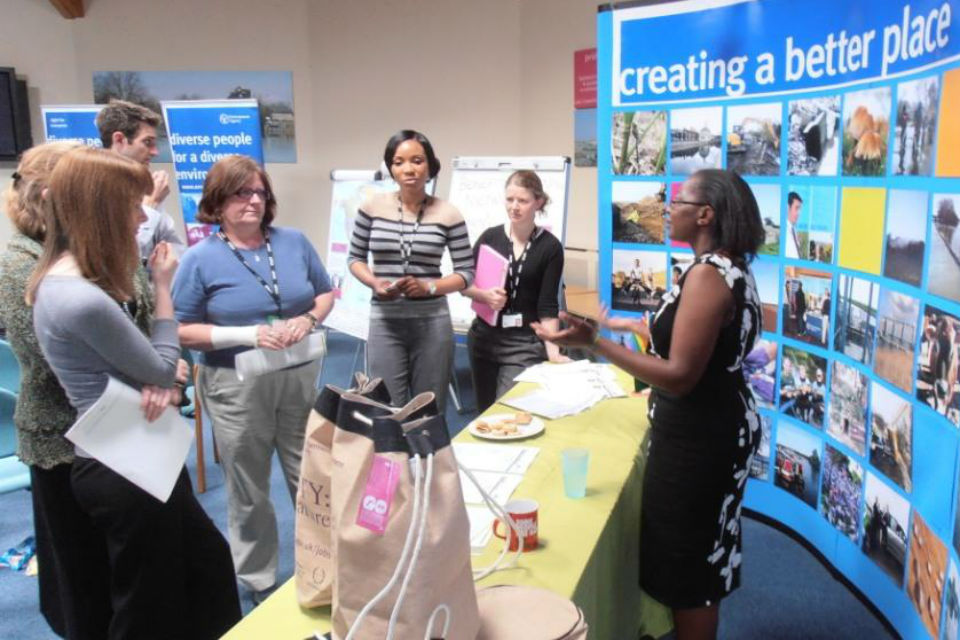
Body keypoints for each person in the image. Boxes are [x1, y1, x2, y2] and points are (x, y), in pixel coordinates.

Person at [533, 169, 764, 640]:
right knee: (696, 554)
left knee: (690, 568)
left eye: (676, 202)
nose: (666, 210)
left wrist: (595, 341)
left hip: (700, 439)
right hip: (713, 426)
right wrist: (617, 328)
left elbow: (679, 375)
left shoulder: (707, 276)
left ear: (705, 214)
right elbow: (683, 337)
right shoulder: (728, 266)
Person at [28, 146, 240, 639]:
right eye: (131, 204)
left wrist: (160, 376)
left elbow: (157, 370)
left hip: (137, 452)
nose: (140, 216)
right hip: (122, 465)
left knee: (202, 570)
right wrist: (163, 287)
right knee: (149, 603)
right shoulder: (78, 296)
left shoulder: (78, 280)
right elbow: (163, 368)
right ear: (100, 208)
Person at [0, 141, 178, 639]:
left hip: (129, 429)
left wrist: (158, 373)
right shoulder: (28, 267)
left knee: (144, 577)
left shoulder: (95, 254)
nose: (140, 217)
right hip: (71, 437)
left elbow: (138, 322)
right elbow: (53, 363)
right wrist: (155, 373)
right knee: (87, 582)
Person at [172, 154, 334, 602]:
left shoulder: (293, 241)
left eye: (260, 192)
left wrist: (309, 320)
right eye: (242, 192)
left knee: (312, 476)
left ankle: (324, 566)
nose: (254, 201)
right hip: (236, 384)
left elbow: (324, 293)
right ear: (218, 201)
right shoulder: (199, 259)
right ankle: (259, 580)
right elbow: (183, 330)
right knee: (249, 485)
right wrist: (249, 334)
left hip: (298, 374)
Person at [348, 130, 474, 411]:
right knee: (384, 408)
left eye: (417, 160)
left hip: (432, 323)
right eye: (399, 161)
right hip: (385, 322)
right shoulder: (371, 207)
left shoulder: (449, 213)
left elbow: (466, 273)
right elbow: (355, 259)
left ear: (429, 165)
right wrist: (374, 282)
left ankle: (429, 456)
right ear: (390, 168)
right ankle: (393, 458)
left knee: (428, 411)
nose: (408, 168)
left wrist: (428, 287)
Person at [461, 170, 567, 412]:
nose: (514, 207)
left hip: (524, 344)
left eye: (523, 201)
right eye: (510, 200)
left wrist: (553, 353)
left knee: (508, 413)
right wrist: (483, 295)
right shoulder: (490, 237)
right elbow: (464, 283)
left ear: (538, 202)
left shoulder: (550, 247)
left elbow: (548, 305)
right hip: (483, 339)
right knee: (484, 414)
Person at [96, 99, 185, 260]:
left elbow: (175, 252)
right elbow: (119, 261)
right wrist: (150, 205)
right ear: (119, 140)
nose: (155, 152)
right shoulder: (92, 191)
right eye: (147, 142)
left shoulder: (142, 187)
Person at [785, 191, 803, 259]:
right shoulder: (784, 232)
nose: (799, 213)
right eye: (796, 208)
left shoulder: (793, 230)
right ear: (787, 208)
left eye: (800, 209)